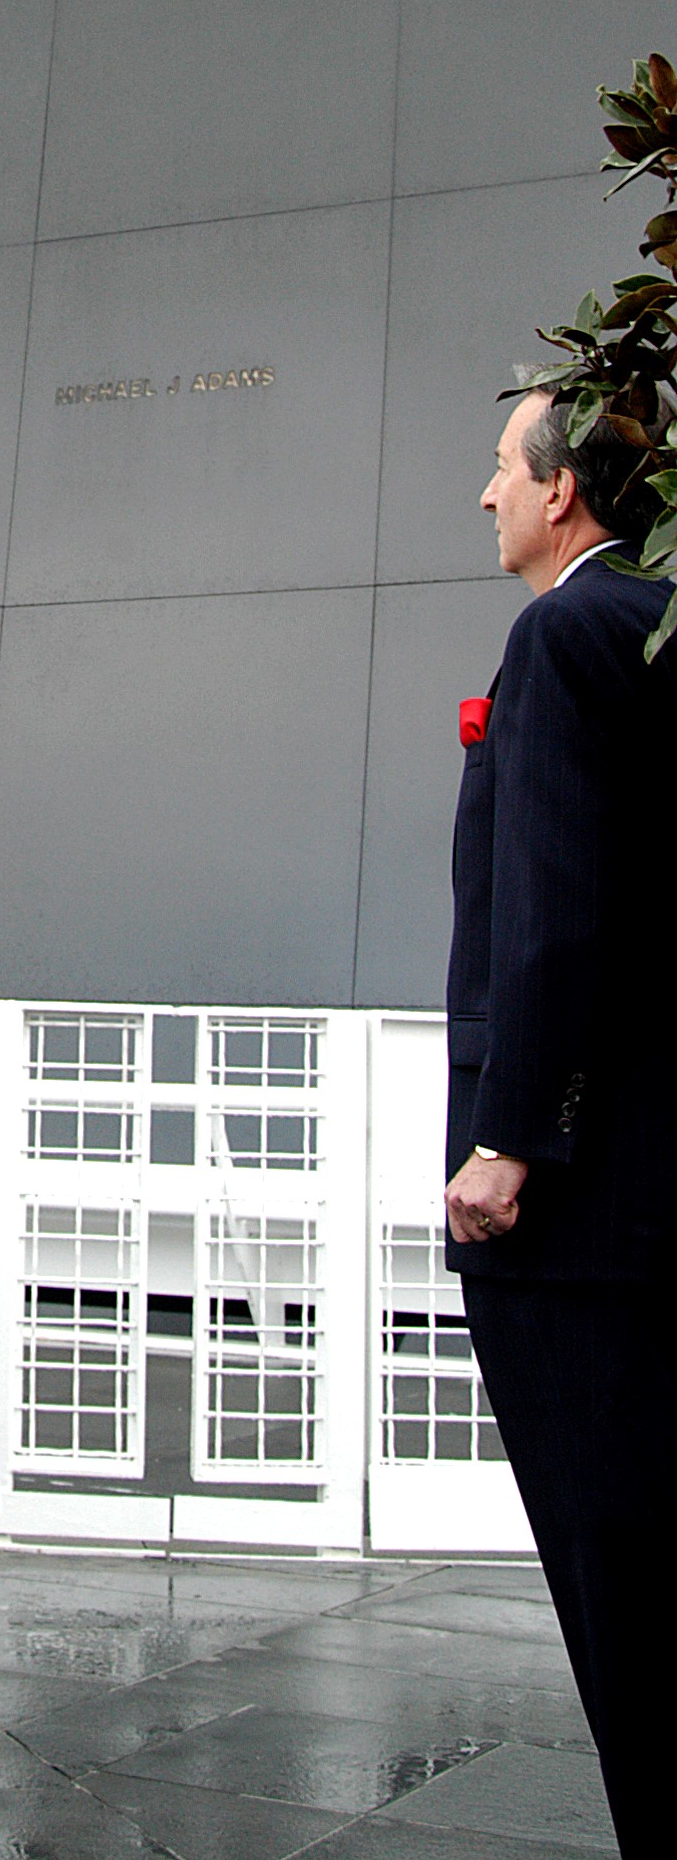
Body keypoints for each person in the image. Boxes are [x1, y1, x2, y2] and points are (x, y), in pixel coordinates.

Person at [444, 387, 674, 1856]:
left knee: (619, 1578)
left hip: (589, 1209)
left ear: (562, 495)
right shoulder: (653, 622)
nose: (482, 496)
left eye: (495, 467)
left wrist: (509, 1136)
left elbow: (554, 916)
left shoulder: (564, 633)